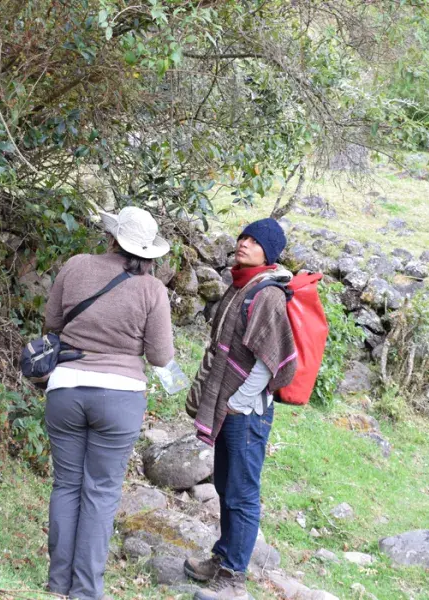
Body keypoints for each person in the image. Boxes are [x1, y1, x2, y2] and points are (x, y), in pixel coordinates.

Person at [42, 207, 175, 600]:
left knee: (66, 484)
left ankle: (57, 584)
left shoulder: (76, 265)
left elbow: (52, 322)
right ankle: (85, 592)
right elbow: (161, 356)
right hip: (120, 397)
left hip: (65, 388)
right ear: (147, 251)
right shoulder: (152, 290)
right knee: (100, 492)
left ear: (112, 237)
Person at [184, 218, 296, 600]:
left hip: (246, 412)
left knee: (242, 492)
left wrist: (238, 402)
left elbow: (271, 361)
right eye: (242, 237)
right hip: (231, 408)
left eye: (254, 240)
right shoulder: (241, 284)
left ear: (270, 252)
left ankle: (233, 578)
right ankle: (223, 556)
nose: (243, 243)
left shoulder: (267, 294)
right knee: (224, 484)